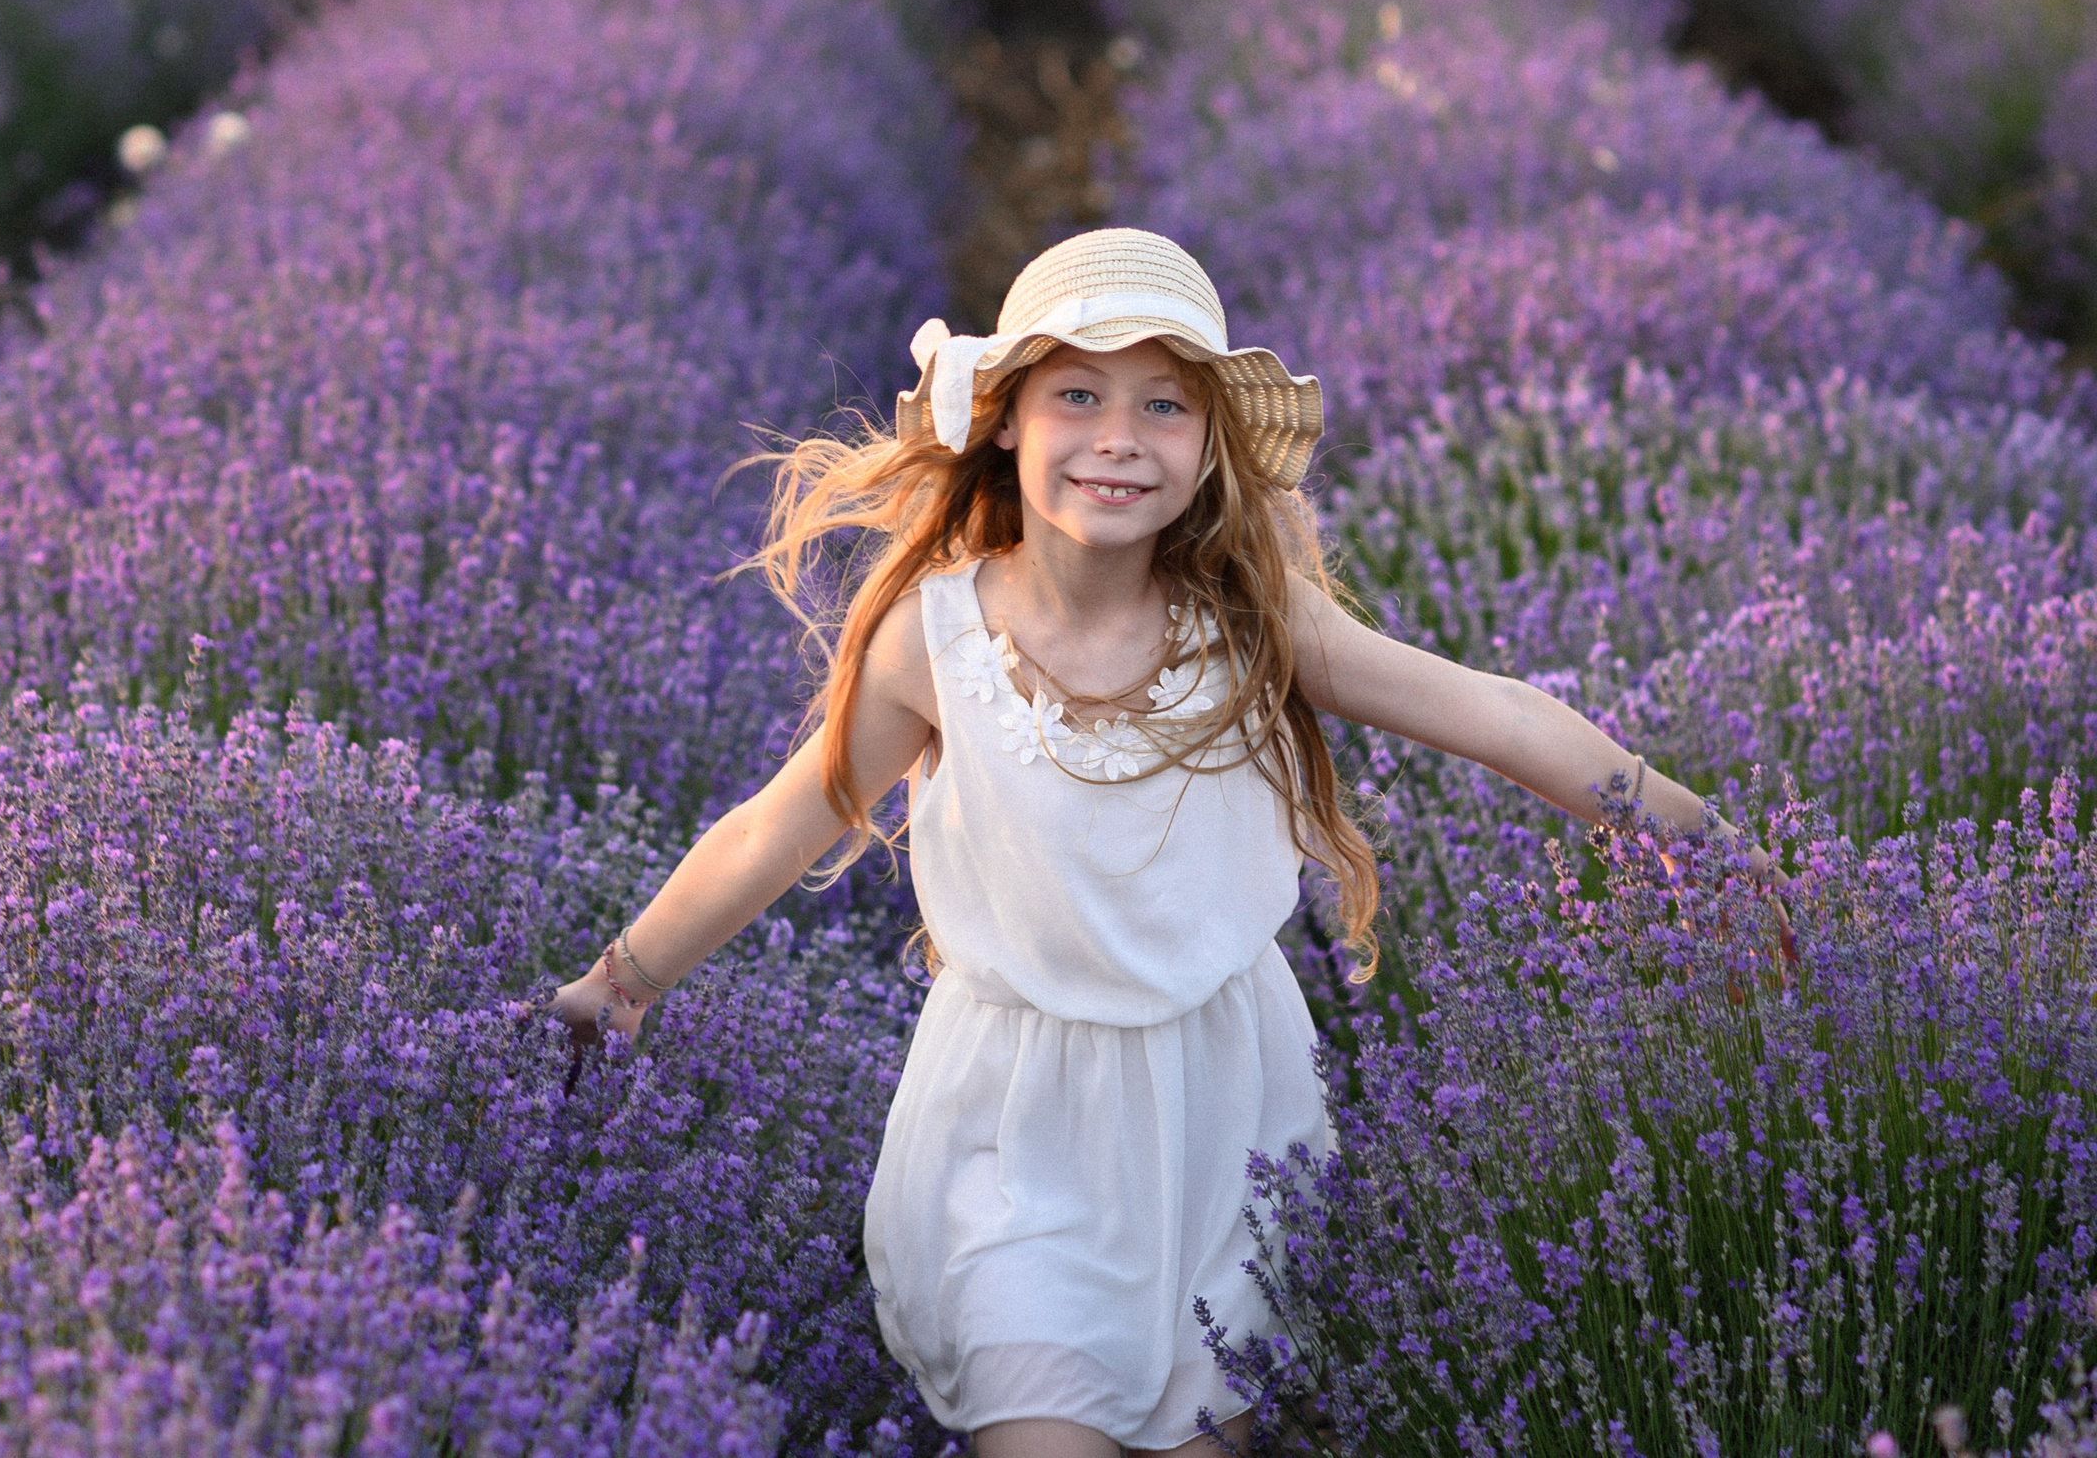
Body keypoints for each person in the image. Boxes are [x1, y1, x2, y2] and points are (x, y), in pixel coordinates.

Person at [547, 228, 1753, 1456]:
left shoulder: (1250, 622)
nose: (1118, 435)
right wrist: (623, 980)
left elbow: (1491, 712)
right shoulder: (937, 639)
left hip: (1224, 1113)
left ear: (1207, 448)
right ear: (1008, 418)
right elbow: (775, 824)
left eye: (1163, 405)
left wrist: (1706, 850)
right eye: (1077, 393)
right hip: (1015, 1122)